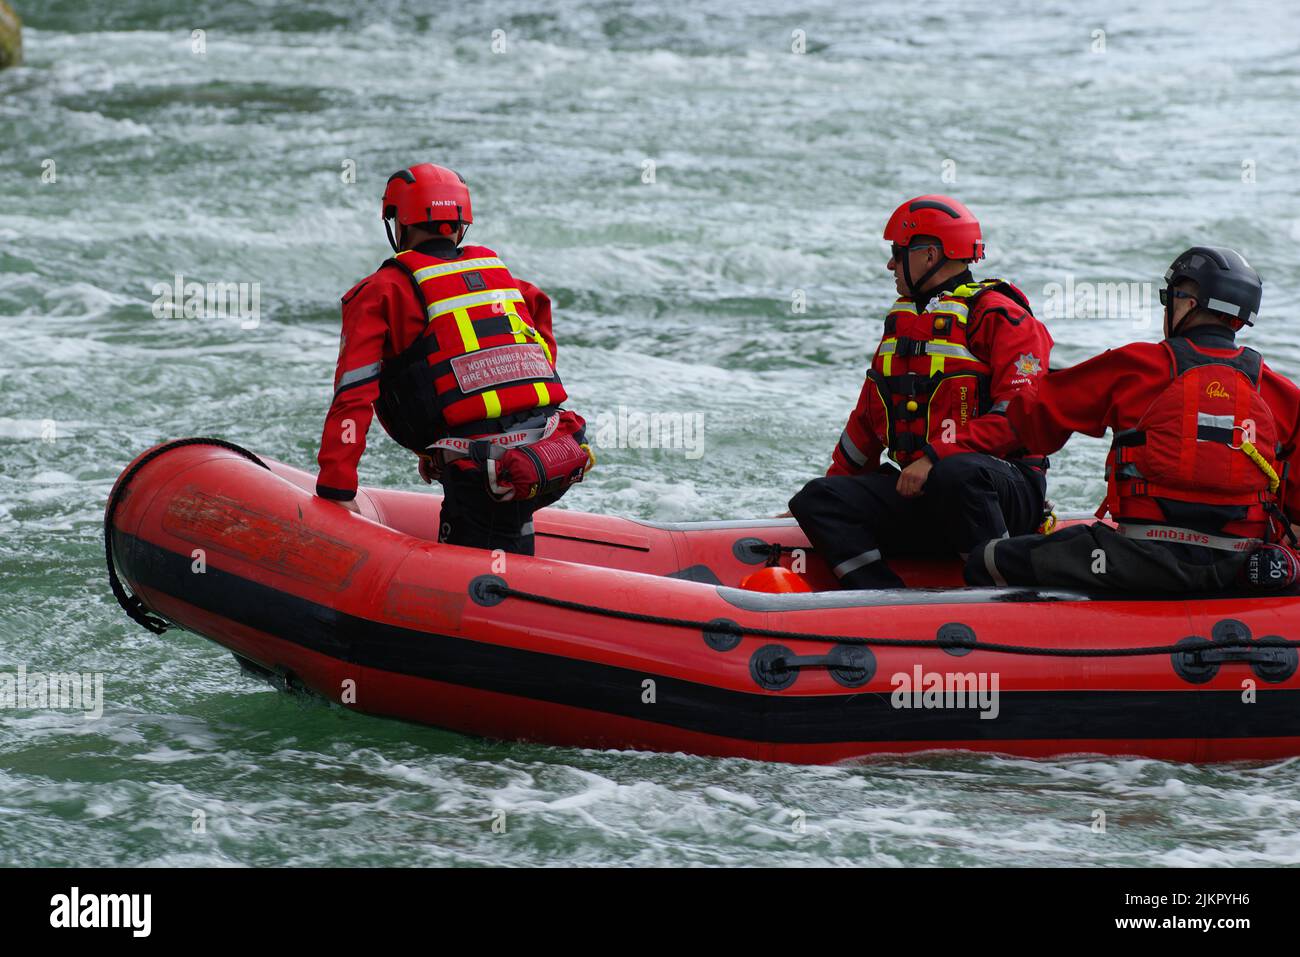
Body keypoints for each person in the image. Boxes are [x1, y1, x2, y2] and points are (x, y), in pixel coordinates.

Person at [967, 246, 1300, 591]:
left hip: (1135, 559)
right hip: (1241, 567)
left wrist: (955, 443)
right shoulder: (1282, 393)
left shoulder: (1135, 366)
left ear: (1186, 303)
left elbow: (1032, 420)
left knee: (987, 560)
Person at [315, 163, 593, 554]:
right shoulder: (507, 281)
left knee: (474, 545)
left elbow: (354, 395)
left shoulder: (382, 292)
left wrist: (336, 488)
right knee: (509, 530)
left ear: (399, 224)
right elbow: (538, 345)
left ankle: (491, 598)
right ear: (461, 224)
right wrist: (437, 445)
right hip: (548, 452)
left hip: (480, 471)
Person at [788, 195, 1054, 588]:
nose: (890, 265)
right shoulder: (903, 325)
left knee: (956, 473)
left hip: (1000, 492)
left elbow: (1019, 416)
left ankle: (1000, 587)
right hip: (927, 491)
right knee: (817, 498)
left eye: (897, 253)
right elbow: (865, 424)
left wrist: (935, 456)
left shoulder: (1002, 317)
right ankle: (884, 601)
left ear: (929, 255)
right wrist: (835, 489)